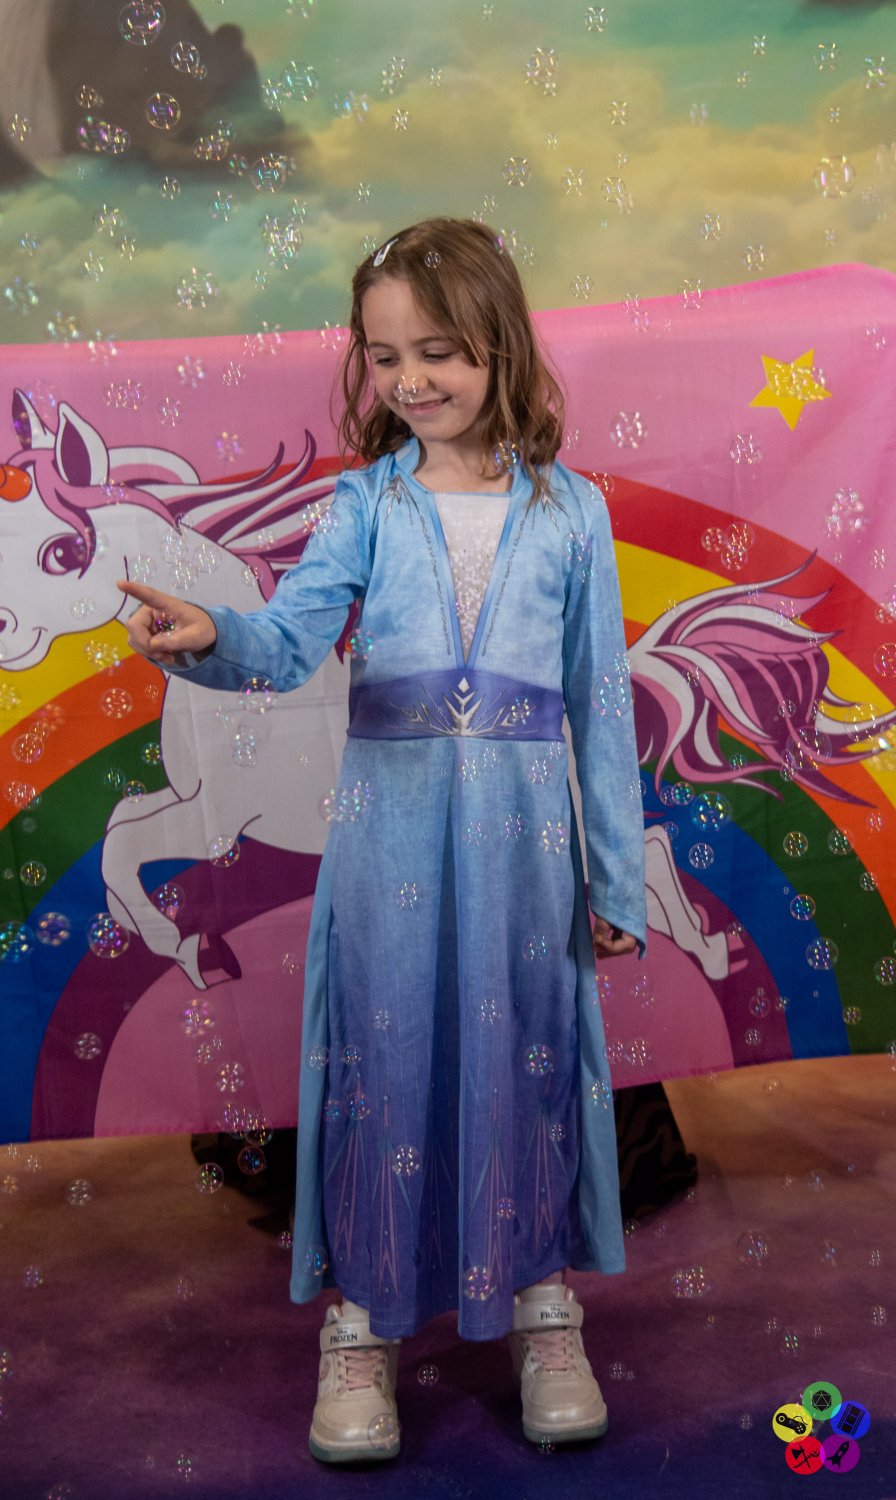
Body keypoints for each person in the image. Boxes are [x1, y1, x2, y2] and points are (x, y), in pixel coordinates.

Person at [118, 217, 647, 1465]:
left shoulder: (572, 512)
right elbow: (290, 639)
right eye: (385, 355)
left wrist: (614, 880)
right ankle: (361, 1319)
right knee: (381, 1053)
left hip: (524, 856)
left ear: (499, 344)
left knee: (526, 1052)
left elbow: (600, 706)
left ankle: (540, 1303)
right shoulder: (364, 503)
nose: (410, 380)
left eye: (438, 351)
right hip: (389, 849)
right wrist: (215, 638)